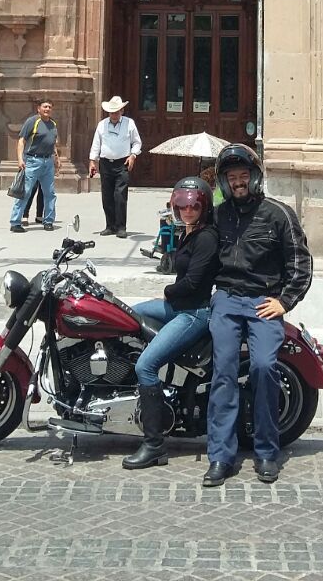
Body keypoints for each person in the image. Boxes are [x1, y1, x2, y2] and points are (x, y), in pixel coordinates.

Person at [203, 143, 313, 488]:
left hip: (263, 302)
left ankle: (266, 451)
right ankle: (220, 456)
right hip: (227, 299)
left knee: (264, 367)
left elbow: (301, 263)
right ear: (224, 182)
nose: (238, 182)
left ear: (254, 177)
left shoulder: (278, 214)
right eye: (231, 177)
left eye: (242, 176)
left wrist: (284, 302)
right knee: (223, 370)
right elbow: (202, 257)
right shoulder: (218, 215)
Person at [123, 177, 219, 471]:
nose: (188, 211)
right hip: (177, 306)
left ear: (204, 206)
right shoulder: (189, 232)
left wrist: (167, 291)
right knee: (125, 315)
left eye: (194, 206)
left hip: (193, 313)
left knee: (146, 366)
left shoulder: (206, 238)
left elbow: (192, 283)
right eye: (182, 206)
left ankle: (154, 445)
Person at [88, 95, 141, 238]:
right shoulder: (102, 124)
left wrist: (133, 155)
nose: (114, 115)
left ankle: (121, 227)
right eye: (112, 112)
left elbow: (137, 142)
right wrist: (92, 161)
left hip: (122, 163)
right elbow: (96, 143)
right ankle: (110, 226)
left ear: (121, 111)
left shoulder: (129, 123)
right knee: (107, 196)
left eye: (116, 112)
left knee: (120, 195)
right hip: (105, 163)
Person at [10, 99, 60, 233]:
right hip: (33, 160)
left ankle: (48, 221)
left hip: (48, 161)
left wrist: (56, 159)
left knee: (50, 193)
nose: (47, 109)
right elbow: (21, 140)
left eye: (49, 107)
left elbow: (53, 143)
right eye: (45, 106)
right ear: (38, 109)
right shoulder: (32, 121)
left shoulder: (53, 124)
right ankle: (15, 222)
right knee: (25, 192)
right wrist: (20, 159)